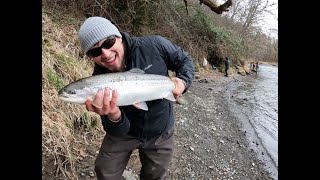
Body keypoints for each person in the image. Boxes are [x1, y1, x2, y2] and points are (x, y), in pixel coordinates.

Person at [78, 16, 195, 180]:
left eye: (108, 42)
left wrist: (182, 82)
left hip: (160, 129)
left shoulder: (154, 45)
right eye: (95, 51)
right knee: (104, 172)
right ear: (92, 56)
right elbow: (116, 130)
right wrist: (113, 115)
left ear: (118, 37)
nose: (105, 53)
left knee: (155, 175)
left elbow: (184, 60)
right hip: (125, 133)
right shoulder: (97, 82)